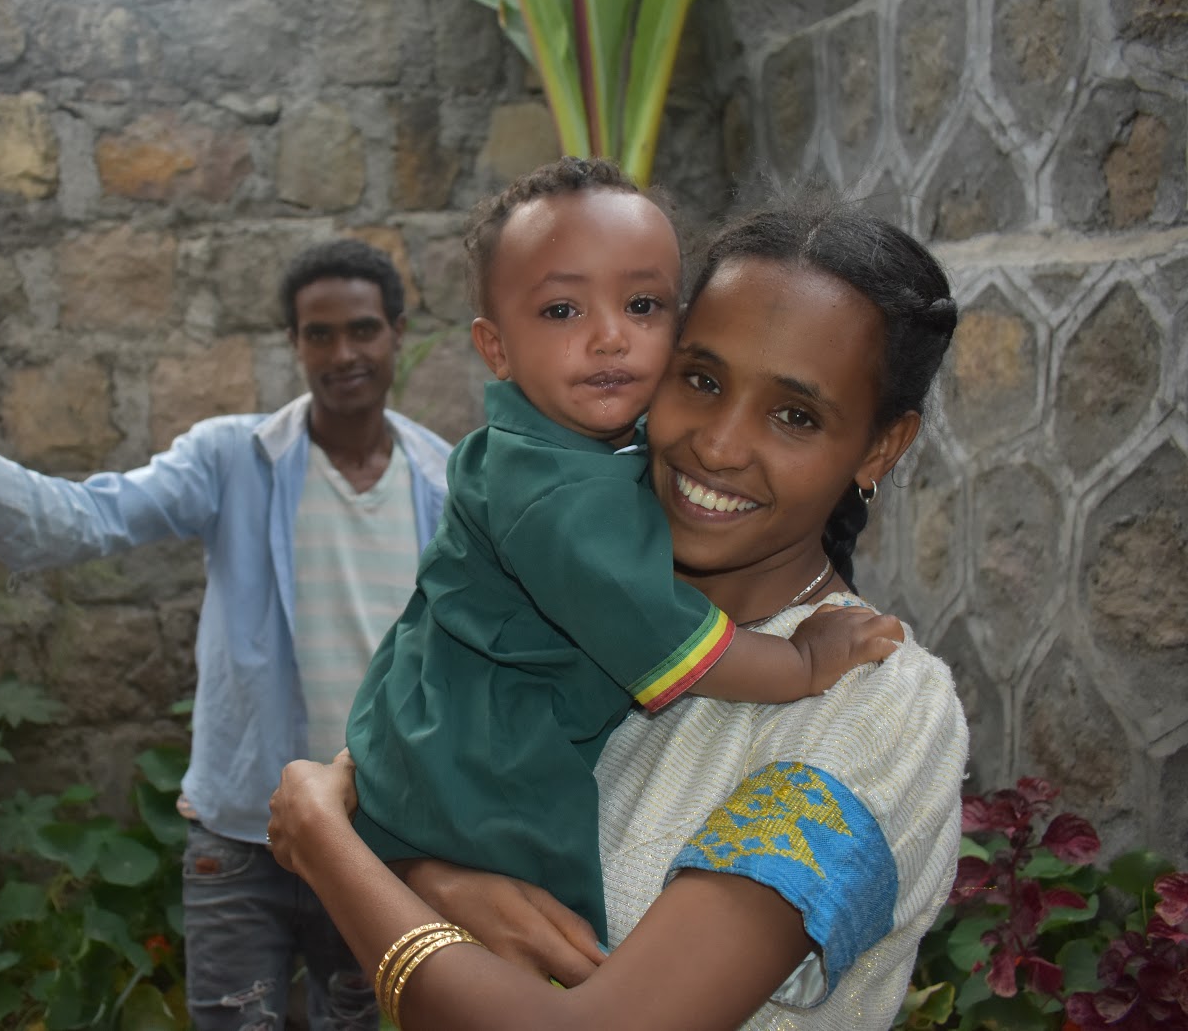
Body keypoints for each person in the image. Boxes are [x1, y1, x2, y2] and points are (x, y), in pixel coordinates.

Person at [267, 198, 968, 1030]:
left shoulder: (876, 711)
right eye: (701, 379)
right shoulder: (556, 594)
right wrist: (432, 876)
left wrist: (325, 842)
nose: (718, 444)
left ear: (881, 446)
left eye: (795, 415)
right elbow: (405, 775)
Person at [0, 239, 453, 1031]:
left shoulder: (444, 479)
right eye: (319, 334)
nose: (343, 354)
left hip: (376, 837)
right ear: (293, 343)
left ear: (397, 330)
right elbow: (97, 515)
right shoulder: (234, 459)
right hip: (244, 835)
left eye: (362, 329)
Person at [347, 158, 904, 942]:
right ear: (496, 348)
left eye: (643, 305)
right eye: (562, 309)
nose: (611, 336)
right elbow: (667, 641)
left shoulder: (576, 442)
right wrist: (803, 662)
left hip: (429, 739)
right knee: (557, 937)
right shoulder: (555, 496)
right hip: (483, 775)